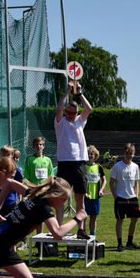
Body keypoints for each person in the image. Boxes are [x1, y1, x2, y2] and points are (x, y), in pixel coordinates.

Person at [54, 80, 92, 239]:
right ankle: (59, 228)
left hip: (79, 162)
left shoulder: (79, 122)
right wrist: (67, 91)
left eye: (73, 113)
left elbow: (89, 108)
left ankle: (81, 229)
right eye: (68, 112)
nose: (70, 115)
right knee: (61, 198)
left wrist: (79, 93)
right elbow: (59, 107)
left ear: (77, 113)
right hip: (64, 162)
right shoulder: (60, 122)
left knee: (80, 197)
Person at [110, 143, 140, 251]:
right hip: (120, 197)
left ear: (134, 154)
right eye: (127, 153)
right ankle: (119, 244)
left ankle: (129, 242)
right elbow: (112, 182)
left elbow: (136, 183)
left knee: (134, 219)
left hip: (132, 197)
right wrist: (116, 196)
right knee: (120, 220)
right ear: (124, 153)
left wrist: (136, 195)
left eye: (131, 153)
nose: (129, 155)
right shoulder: (117, 166)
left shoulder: (135, 167)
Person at [84, 145, 107, 238]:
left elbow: (104, 180)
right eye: (88, 154)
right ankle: (83, 235)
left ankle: (92, 236)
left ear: (95, 155)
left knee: (94, 217)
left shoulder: (99, 167)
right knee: (83, 217)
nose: (90, 155)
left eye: (92, 154)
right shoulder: (83, 166)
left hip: (95, 196)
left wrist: (101, 190)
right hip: (85, 197)